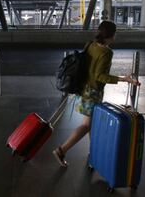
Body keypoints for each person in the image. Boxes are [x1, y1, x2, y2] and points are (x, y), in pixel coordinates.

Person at [53, 20, 139, 167]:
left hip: (83, 88)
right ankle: (62, 150)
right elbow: (100, 76)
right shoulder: (106, 52)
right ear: (112, 35)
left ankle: (94, 153)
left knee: (92, 124)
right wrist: (124, 79)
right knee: (87, 125)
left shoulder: (90, 44)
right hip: (93, 92)